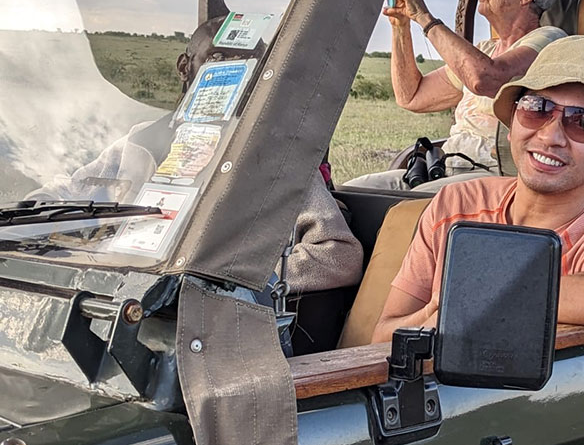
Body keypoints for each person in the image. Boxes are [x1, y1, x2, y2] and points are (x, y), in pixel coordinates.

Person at [32, 16, 362, 294]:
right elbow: (68, 193)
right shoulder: (141, 141)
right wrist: (27, 215)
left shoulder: (275, 157)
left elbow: (340, 255)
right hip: (109, 295)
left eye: (247, 68)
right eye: (216, 62)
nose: (230, 78)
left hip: (203, 325)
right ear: (184, 67)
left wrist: (228, 275)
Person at [373, 35, 584, 341]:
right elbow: (380, 338)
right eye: (536, 108)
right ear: (512, 122)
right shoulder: (457, 204)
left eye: (582, 122)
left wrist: (476, 295)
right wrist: (437, 315)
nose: (550, 136)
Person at [342, 0, 566, 191]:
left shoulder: (549, 41)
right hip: (448, 168)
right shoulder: (484, 51)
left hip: (494, 177)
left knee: (411, 204)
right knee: (348, 193)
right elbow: (412, 96)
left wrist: (425, 18)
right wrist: (401, 26)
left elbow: (485, 79)